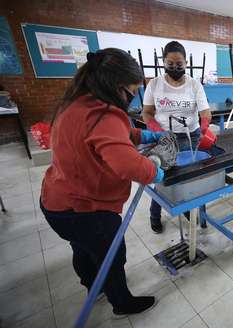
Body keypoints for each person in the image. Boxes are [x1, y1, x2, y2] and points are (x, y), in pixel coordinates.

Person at [41, 48, 167, 315]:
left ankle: (93, 286)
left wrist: (141, 136)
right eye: (133, 91)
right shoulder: (104, 114)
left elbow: (106, 134)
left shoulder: (78, 103)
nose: (134, 98)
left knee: (84, 248)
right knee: (111, 256)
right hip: (85, 208)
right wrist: (154, 167)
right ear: (117, 87)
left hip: (57, 203)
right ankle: (121, 303)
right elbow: (129, 165)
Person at [142, 41, 211, 233]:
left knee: (190, 177)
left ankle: (189, 209)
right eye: (170, 64)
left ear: (186, 63)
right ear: (163, 62)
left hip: (191, 136)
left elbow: (205, 112)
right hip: (165, 138)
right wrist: (156, 128)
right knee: (163, 178)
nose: (175, 68)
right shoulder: (154, 84)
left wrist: (204, 125)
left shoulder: (194, 84)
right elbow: (146, 112)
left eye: (179, 64)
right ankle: (155, 215)